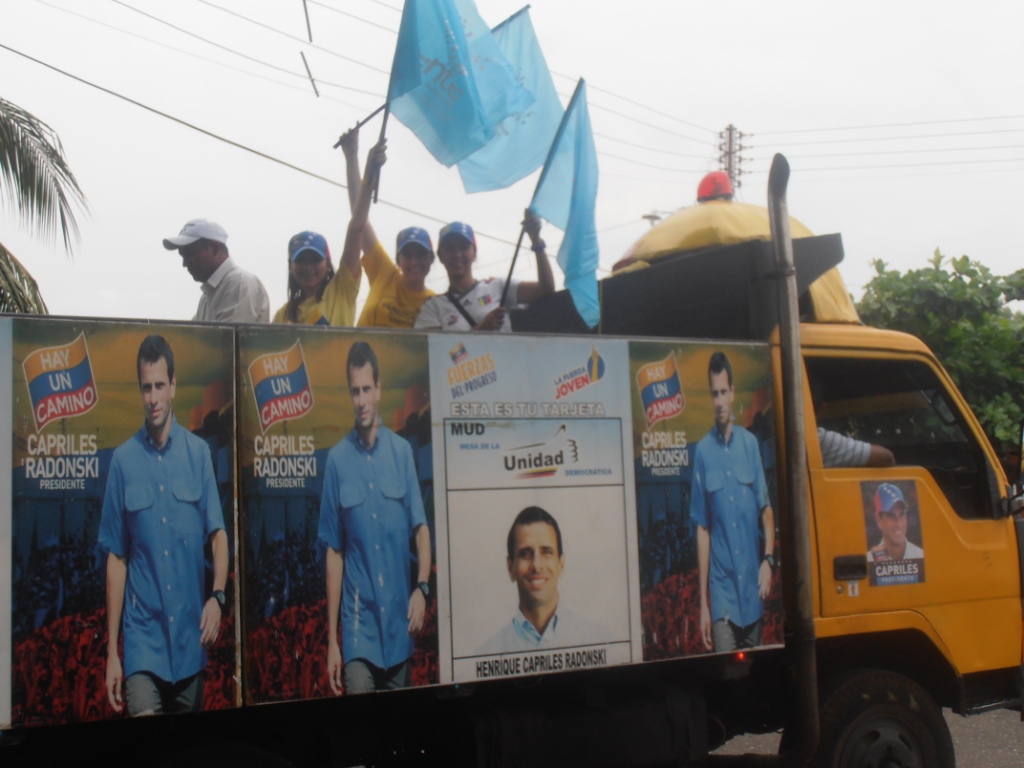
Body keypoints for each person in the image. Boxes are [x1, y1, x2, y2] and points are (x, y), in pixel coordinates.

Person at [98, 334, 228, 716]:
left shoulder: (199, 455)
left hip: (191, 648)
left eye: (159, 386)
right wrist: (112, 653)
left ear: (173, 385)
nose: (152, 397)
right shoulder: (123, 462)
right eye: (145, 388)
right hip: (142, 646)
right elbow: (116, 560)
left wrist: (218, 597)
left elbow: (218, 536)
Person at [318, 341, 431, 694]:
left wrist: (422, 587)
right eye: (355, 391)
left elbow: (421, 528)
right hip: (357, 629)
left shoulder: (402, 453)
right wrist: (333, 641)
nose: (362, 400)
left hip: (400, 628)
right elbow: (334, 552)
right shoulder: (336, 461)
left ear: (379, 389)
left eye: (367, 389)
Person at [691, 351, 775, 653]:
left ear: (732, 392)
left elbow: (766, 512)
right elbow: (703, 529)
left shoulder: (751, 446)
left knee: (756, 681)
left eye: (723, 392)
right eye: (714, 394)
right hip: (723, 596)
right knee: (726, 674)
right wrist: (704, 603)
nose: (719, 401)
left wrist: (768, 560)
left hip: (753, 597)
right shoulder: (702, 452)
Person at [272, 139, 382, 326]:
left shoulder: (342, 289)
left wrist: (364, 169)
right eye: (300, 260)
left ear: (328, 263)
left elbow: (356, 228)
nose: (308, 267)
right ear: (291, 266)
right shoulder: (282, 315)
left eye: (315, 259)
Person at [336, 128, 437, 328]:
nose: (414, 261)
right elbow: (359, 219)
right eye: (408, 255)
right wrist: (353, 158)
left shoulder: (435, 304)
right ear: (398, 259)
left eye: (420, 254)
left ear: (432, 259)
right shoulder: (385, 274)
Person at [477, 506, 601, 654]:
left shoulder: (597, 640)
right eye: (525, 554)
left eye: (546, 552)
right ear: (510, 568)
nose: (536, 565)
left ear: (561, 564)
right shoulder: (487, 653)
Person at [413, 213, 555, 332]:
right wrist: (482, 329)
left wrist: (536, 241)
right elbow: (435, 354)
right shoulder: (432, 307)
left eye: (463, 247)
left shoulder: (498, 286)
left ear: (474, 253)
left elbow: (545, 288)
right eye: (449, 249)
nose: (457, 254)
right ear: (440, 256)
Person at [162, 218, 269, 323]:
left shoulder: (239, 283)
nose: (185, 264)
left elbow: (226, 339)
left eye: (191, 254)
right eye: (183, 256)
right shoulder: (209, 295)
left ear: (215, 249)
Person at [867, 483, 924, 562]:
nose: (899, 523)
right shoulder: (870, 561)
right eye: (891, 515)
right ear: (879, 519)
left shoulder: (921, 556)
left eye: (902, 514)